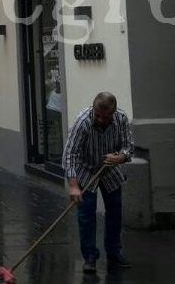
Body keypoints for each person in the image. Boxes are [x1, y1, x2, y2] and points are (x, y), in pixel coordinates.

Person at [62, 92, 134, 274]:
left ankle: (114, 253)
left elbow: (129, 147)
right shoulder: (82, 122)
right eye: (98, 115)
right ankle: (90, 257)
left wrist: (120, 157)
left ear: (113, 112)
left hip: (110, 168)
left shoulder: (122, 119)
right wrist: (73, 185)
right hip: (86, 169)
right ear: (93, 109)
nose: (101, 119)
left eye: (105, 117)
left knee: (115, 212)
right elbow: (70, 154)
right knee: (86, 215)